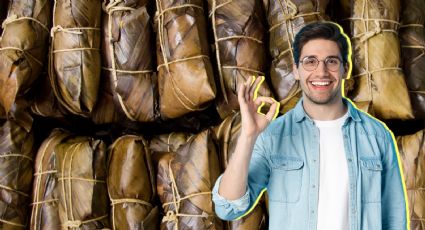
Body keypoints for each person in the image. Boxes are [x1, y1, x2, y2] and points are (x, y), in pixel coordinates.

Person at [212, 21, 408, 230]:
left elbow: (394, 220)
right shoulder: (274, 136)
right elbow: (228, 207)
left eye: (331, 61)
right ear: (296, 70)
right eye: (310, 62)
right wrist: (248, 135)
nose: (321, 72)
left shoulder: (377, 137)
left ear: (346, 69)